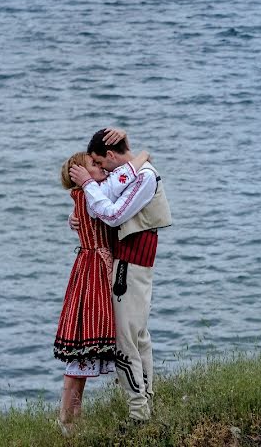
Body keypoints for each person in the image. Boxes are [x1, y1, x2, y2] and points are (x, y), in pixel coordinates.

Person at [68, 128, 172, 423]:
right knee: (138, 337)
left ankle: (139, 413)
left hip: (131, 265)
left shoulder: (144, 176)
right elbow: (103, 196)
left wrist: (88, 183)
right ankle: (144, 404)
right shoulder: (131, 173)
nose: (102, 171)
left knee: (127, 340)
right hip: (130, 263)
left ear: (110, 156)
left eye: (101, 163)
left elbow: (113, 214)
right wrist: (77, 213)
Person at [54, 144, 149, 437]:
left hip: (89, 264)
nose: (101, 169)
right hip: (95, 268)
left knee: (84, 344)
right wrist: (143, 155)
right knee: (84, 340)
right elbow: (126, 175)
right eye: (93, 166)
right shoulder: (93, 194)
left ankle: (71, 417)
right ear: (81, 173)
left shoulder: (84, 197)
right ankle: (68, 419)